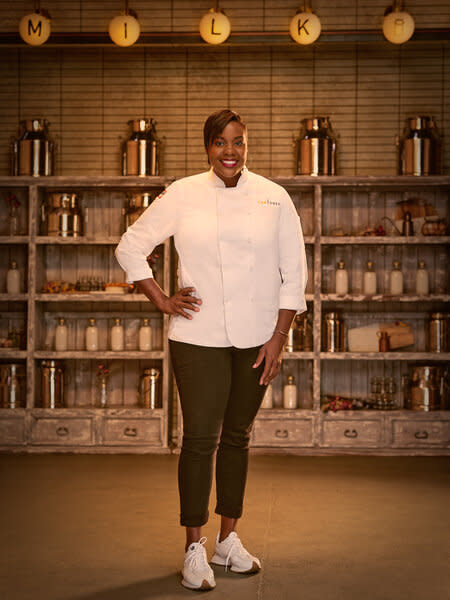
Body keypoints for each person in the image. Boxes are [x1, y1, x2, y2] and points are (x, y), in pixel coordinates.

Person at [115, 109, 308, 591]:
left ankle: (228, 540)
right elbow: (130, 245)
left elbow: (294, 271)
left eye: (238, 142)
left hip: (257, 338)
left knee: (238, 436)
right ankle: (193, 548)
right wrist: (161, 298)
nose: (230, 151)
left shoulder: (274, 196)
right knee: (200, 437)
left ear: (247, 146)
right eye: (220, 143)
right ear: (207, 148)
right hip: (197, 337)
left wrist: (279, 337)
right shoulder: (183, 193)